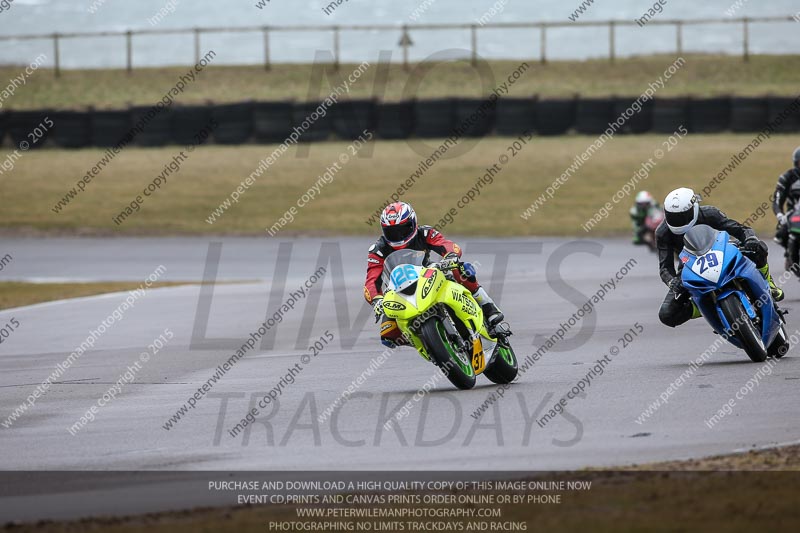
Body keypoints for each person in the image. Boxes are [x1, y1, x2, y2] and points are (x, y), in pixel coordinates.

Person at [364, 201, 504, 348]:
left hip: (429, 275)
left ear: (413, 224)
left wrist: (451, 256)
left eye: (403, 229)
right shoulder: (377, 250)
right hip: (400, 289)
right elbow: (371, 281)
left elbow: (445, 244)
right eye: (392, 232)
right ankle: (427, 342)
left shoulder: (424, 233)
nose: (398, 236)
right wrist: (377, 300)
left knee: (462, 270)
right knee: (388, 334)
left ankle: (488, 307)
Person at [657, 187, 783, 328]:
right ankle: (704, 305)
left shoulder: (709, 213)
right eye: (673, 217)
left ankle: (768, 283)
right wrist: (672, 282)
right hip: (689, 265)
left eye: (682, 216)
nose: (678, 221)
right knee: (667, 314)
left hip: (723, 249)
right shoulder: (662, 232)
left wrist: (750, 240)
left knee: (758, 248)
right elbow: (665, 268)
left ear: (694, 208)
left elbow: (741, 230)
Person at [773, 147, 800, 248]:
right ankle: (790, 256)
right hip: (794, 215)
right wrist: (780, 216)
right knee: (781, 235)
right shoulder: (787, 177)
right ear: (796, 163)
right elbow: (777, 200)